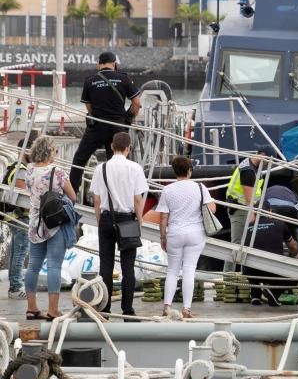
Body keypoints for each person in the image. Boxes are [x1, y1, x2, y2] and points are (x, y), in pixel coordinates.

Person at [90, 132, 148, 320]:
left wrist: (100, 220)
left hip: (107, 218)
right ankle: (128, 309)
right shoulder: (135, 168)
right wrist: (140, 220)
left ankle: (105, 308)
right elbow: (138, 199)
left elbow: (97, 199)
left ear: (112, 146)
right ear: (128, 148)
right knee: (128, 266)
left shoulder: (101, 168)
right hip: (127, 219)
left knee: (105, 265)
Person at [69, 52, 141, 193]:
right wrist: (127, 118)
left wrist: (93, 116)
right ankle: (121, 194)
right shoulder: (124, 78)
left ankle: (72, 194)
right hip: (118, 127)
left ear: (99, 64)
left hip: (97, 126)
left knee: (80, 159)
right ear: (114, 64)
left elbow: (88, 107)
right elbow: (137, 103)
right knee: (118, 161)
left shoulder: (90, 80)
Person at [23, 136, 78, 320]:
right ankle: (53, 310)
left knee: (33, 266)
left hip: (35, 223)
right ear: (49, 152)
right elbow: (73, 196)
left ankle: (31, 308)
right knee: (54, 265)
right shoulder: (58, 172)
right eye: (54, 150)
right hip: (55, 224)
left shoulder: (29, 171)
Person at [157, 156, 215, 319]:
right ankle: (186, 309)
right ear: (190, 170)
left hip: (175, 233)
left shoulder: (167, 190)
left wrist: (163, 237)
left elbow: (163, 217)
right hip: (195, 233)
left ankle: (167, 306)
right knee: (189, 269)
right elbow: (212, 208)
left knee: (172, 271)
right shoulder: (200, 187)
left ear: (174, 171)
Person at [243, 213, 298, 306]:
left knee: (252, 260)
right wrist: (293, 257)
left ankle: (255, 295)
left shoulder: (248, 227)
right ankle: (273, 291)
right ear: (270, 211)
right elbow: (294, 247)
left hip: (251, 270)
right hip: (272, 269)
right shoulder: (280, 223)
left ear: (255, 214)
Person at [223, 151, 265, 271]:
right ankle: (228, 277)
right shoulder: (248, 170)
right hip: (241, 210)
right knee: (236, 245)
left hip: (245, 209)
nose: (270, 164)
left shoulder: (253, 167)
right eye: (268, 160)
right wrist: (252, 213)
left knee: (244, 245)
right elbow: (248, 198)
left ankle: (243, 275)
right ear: (263, 155)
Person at [4, 136, 33, 300]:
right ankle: (15, 287)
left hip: (13, 217)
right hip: (20, 217)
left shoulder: (12, 167)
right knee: (20, 253)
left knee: (16, 252)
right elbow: (25, 198)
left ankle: (13, 286)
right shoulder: (20, 170)